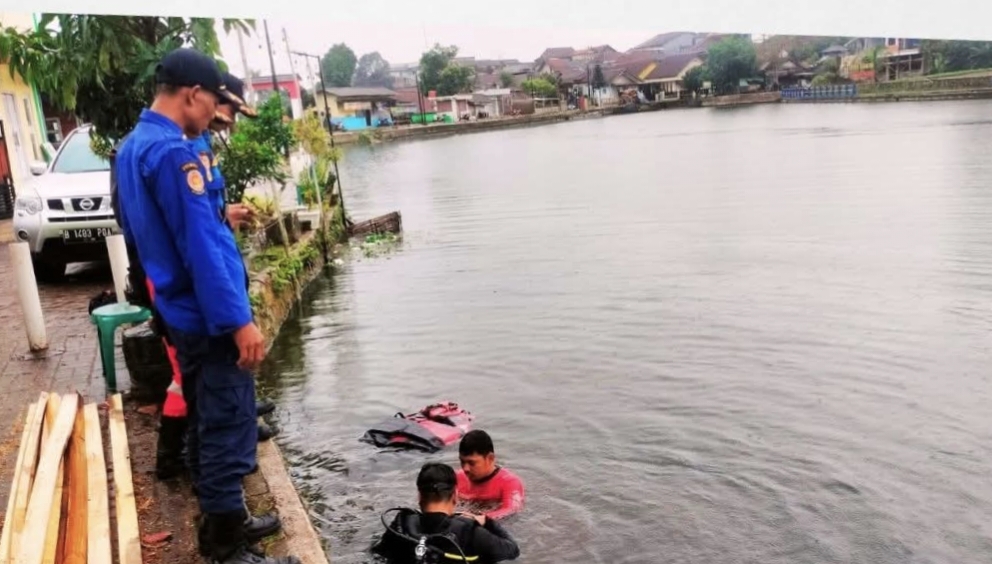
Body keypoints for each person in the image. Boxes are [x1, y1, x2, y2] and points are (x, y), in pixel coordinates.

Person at [114, 47, 298, 564]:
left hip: (179, 311)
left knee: (203, 418)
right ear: (193, 94)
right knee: (226, 426)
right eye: (214, 101)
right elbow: (199, 247)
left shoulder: (133, 147)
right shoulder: (175, 154)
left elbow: (149, 230)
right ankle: (227, 547)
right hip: (207, 317)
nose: (216, 112)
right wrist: (238, 320)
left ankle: (223, 524)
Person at [373, 463, 520, 564]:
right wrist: (488, 522)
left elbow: (377, 554)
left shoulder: (401, 525)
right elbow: (512, 550)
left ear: (419, 496)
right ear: (455, 495)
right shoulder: (469, 531)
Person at [455, 431, 525, 521]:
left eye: (471, 463)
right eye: (462, 462)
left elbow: (512, 510)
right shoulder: (456, 478)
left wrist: (478, 519)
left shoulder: (510, 482)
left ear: (490, 458)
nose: (465, 469)